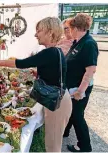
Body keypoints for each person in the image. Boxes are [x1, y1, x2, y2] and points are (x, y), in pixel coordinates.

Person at [0, 17, 72, 152]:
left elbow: (21, 63)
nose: (35, 34)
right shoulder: (55, 51)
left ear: (50, 32)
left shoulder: (49, 52)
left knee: (53, 145)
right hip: (58, 98)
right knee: (51, 141)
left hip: (58, 102)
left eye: (39, 31)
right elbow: (52, 72)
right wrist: (38, 73)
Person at [64, 13, 99, 152]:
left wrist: (80, 91)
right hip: (72, 86)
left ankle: (85, 145)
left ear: (76, 27)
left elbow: (90, 70)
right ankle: (65, 131)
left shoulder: (89, 44)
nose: (68, 31)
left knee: (77, 116)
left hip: (79, 88)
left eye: (69, 28)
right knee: (72, 111)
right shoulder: (78, 41)